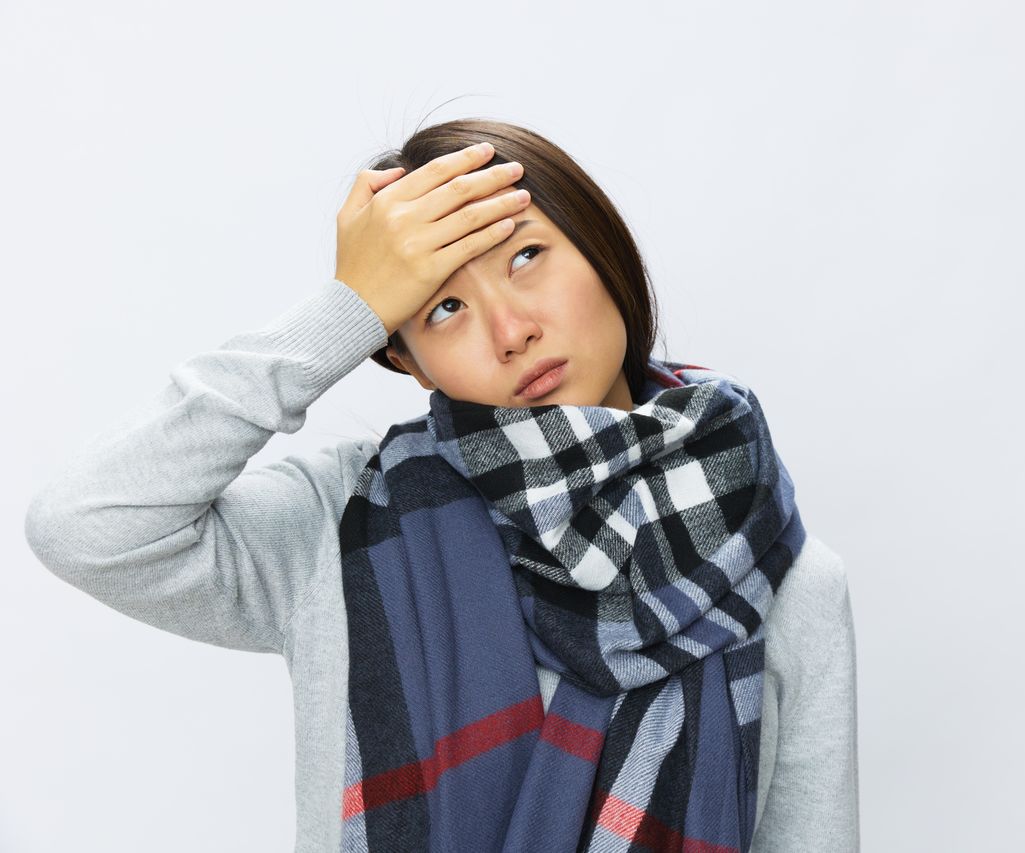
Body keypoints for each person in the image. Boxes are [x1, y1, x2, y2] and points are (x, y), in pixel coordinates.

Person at [24, 118, 859, 852]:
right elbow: (84, 524)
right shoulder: (340, 523)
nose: (511, 329)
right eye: (441, 309)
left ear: (602, 247)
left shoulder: (787, 577)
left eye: (527, 255)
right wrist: (348, 308)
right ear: (402, 357)